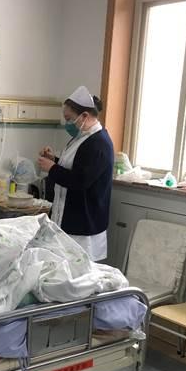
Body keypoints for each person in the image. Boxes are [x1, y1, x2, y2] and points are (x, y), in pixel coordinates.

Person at [37, 85, 114, 261]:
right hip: (69, 218)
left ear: (84, 116)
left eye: (69, 119)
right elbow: (76, 166)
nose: (67, 124)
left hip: (83, 225)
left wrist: (52, 168)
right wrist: (54, 160)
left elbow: (80, 180)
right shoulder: (82, 138)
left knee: (78, 270)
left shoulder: (98, 143)